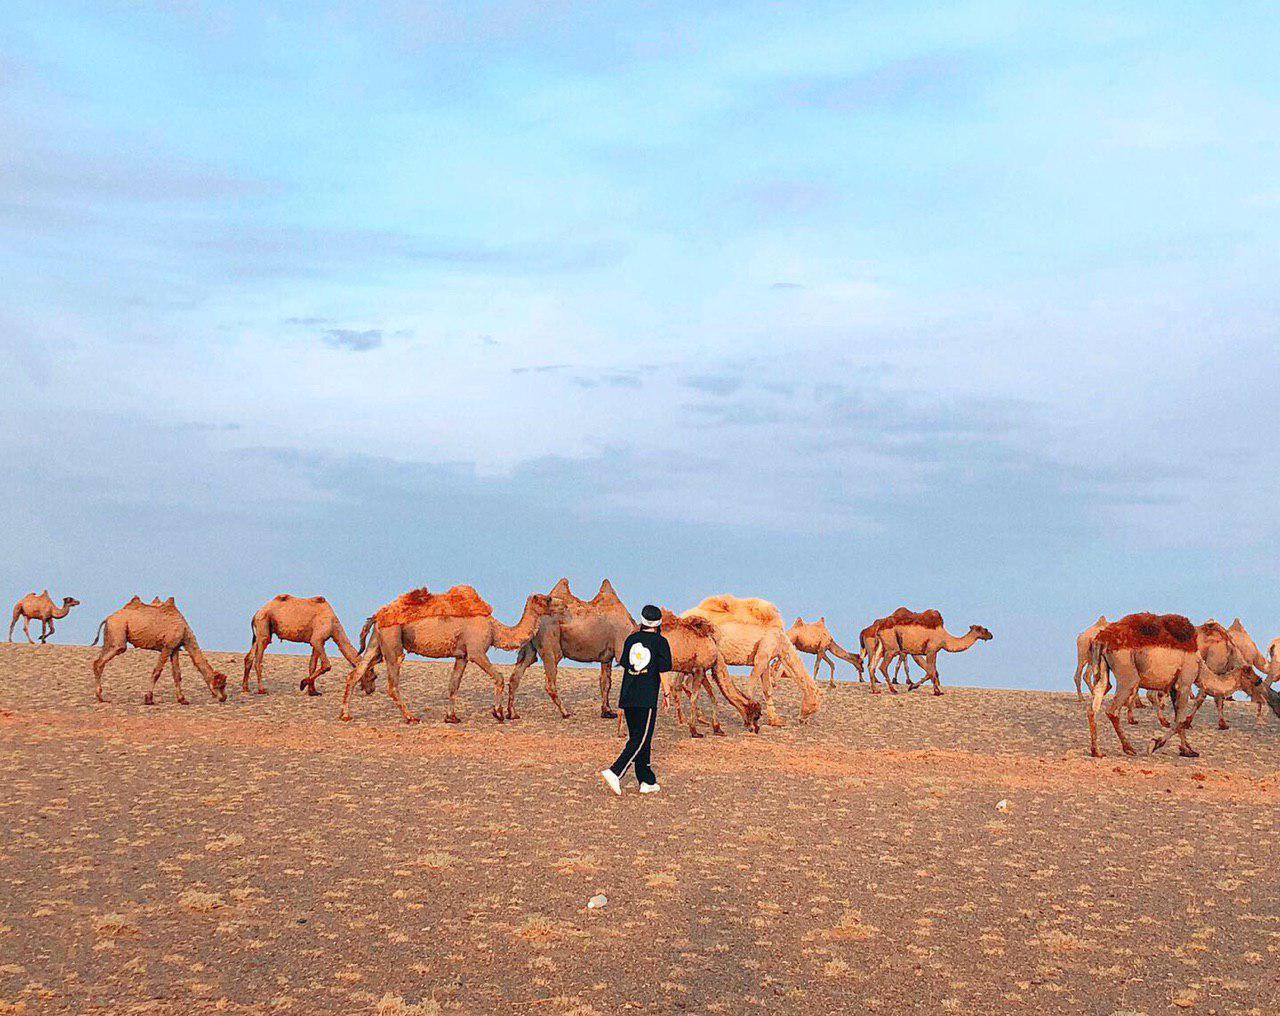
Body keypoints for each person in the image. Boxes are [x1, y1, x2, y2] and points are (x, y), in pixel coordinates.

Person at [601, 604, 672, 795]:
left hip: (628, 696)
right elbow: (664, 671)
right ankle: (615, 771)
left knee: (641, 739)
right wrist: (667, 694)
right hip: (645, 698)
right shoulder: (660, 642)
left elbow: (627, 667)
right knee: (639, 740)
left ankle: (646, 780)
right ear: (658, 623)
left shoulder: (632, 640)